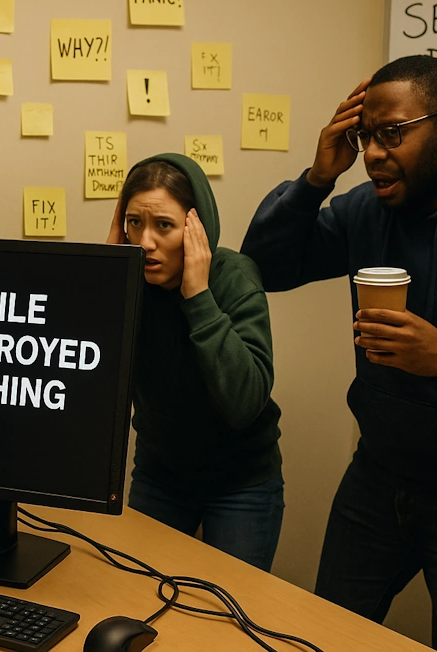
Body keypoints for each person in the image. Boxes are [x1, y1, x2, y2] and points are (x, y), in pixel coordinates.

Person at [240, 55, 437, 651]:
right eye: (366, 137)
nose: (372, 154)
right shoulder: (370, 208)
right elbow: (265, 264)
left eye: (392, 134)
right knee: (321, 637)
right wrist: (316, 180)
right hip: (379, 471)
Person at [106, 153, 284, 572]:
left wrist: (199, 297)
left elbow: (245, 402)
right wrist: (106, 281)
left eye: (163, 226)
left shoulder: (234, 277)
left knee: (230, 612)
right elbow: (91, 385)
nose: (145, 241)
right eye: (134, 223)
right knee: (138, 594)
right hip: (160, 473)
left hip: (241, 483)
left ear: (195, 226)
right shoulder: (130, 279)